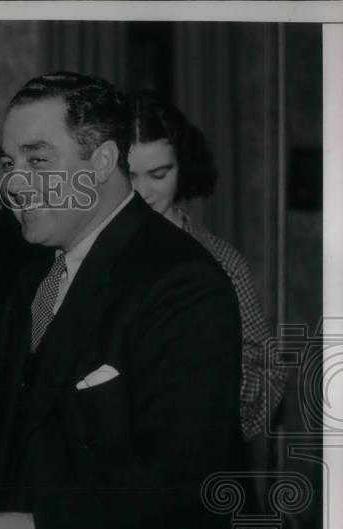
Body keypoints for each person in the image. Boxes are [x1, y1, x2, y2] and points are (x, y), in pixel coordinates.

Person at [0, 72, 243, 529]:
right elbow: (16, 407)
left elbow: (183, 470)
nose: (15, 183)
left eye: (37, 160)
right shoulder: (36, 270)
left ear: (101, 162)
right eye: (9, 161)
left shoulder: (182, 281)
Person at [127, 90, 285, 440]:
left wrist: (217, 373)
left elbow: (270, 373)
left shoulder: (221, 261)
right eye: (129, 176)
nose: (143, 193)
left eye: (158, 174)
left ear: (182, 167)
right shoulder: (77, 255)